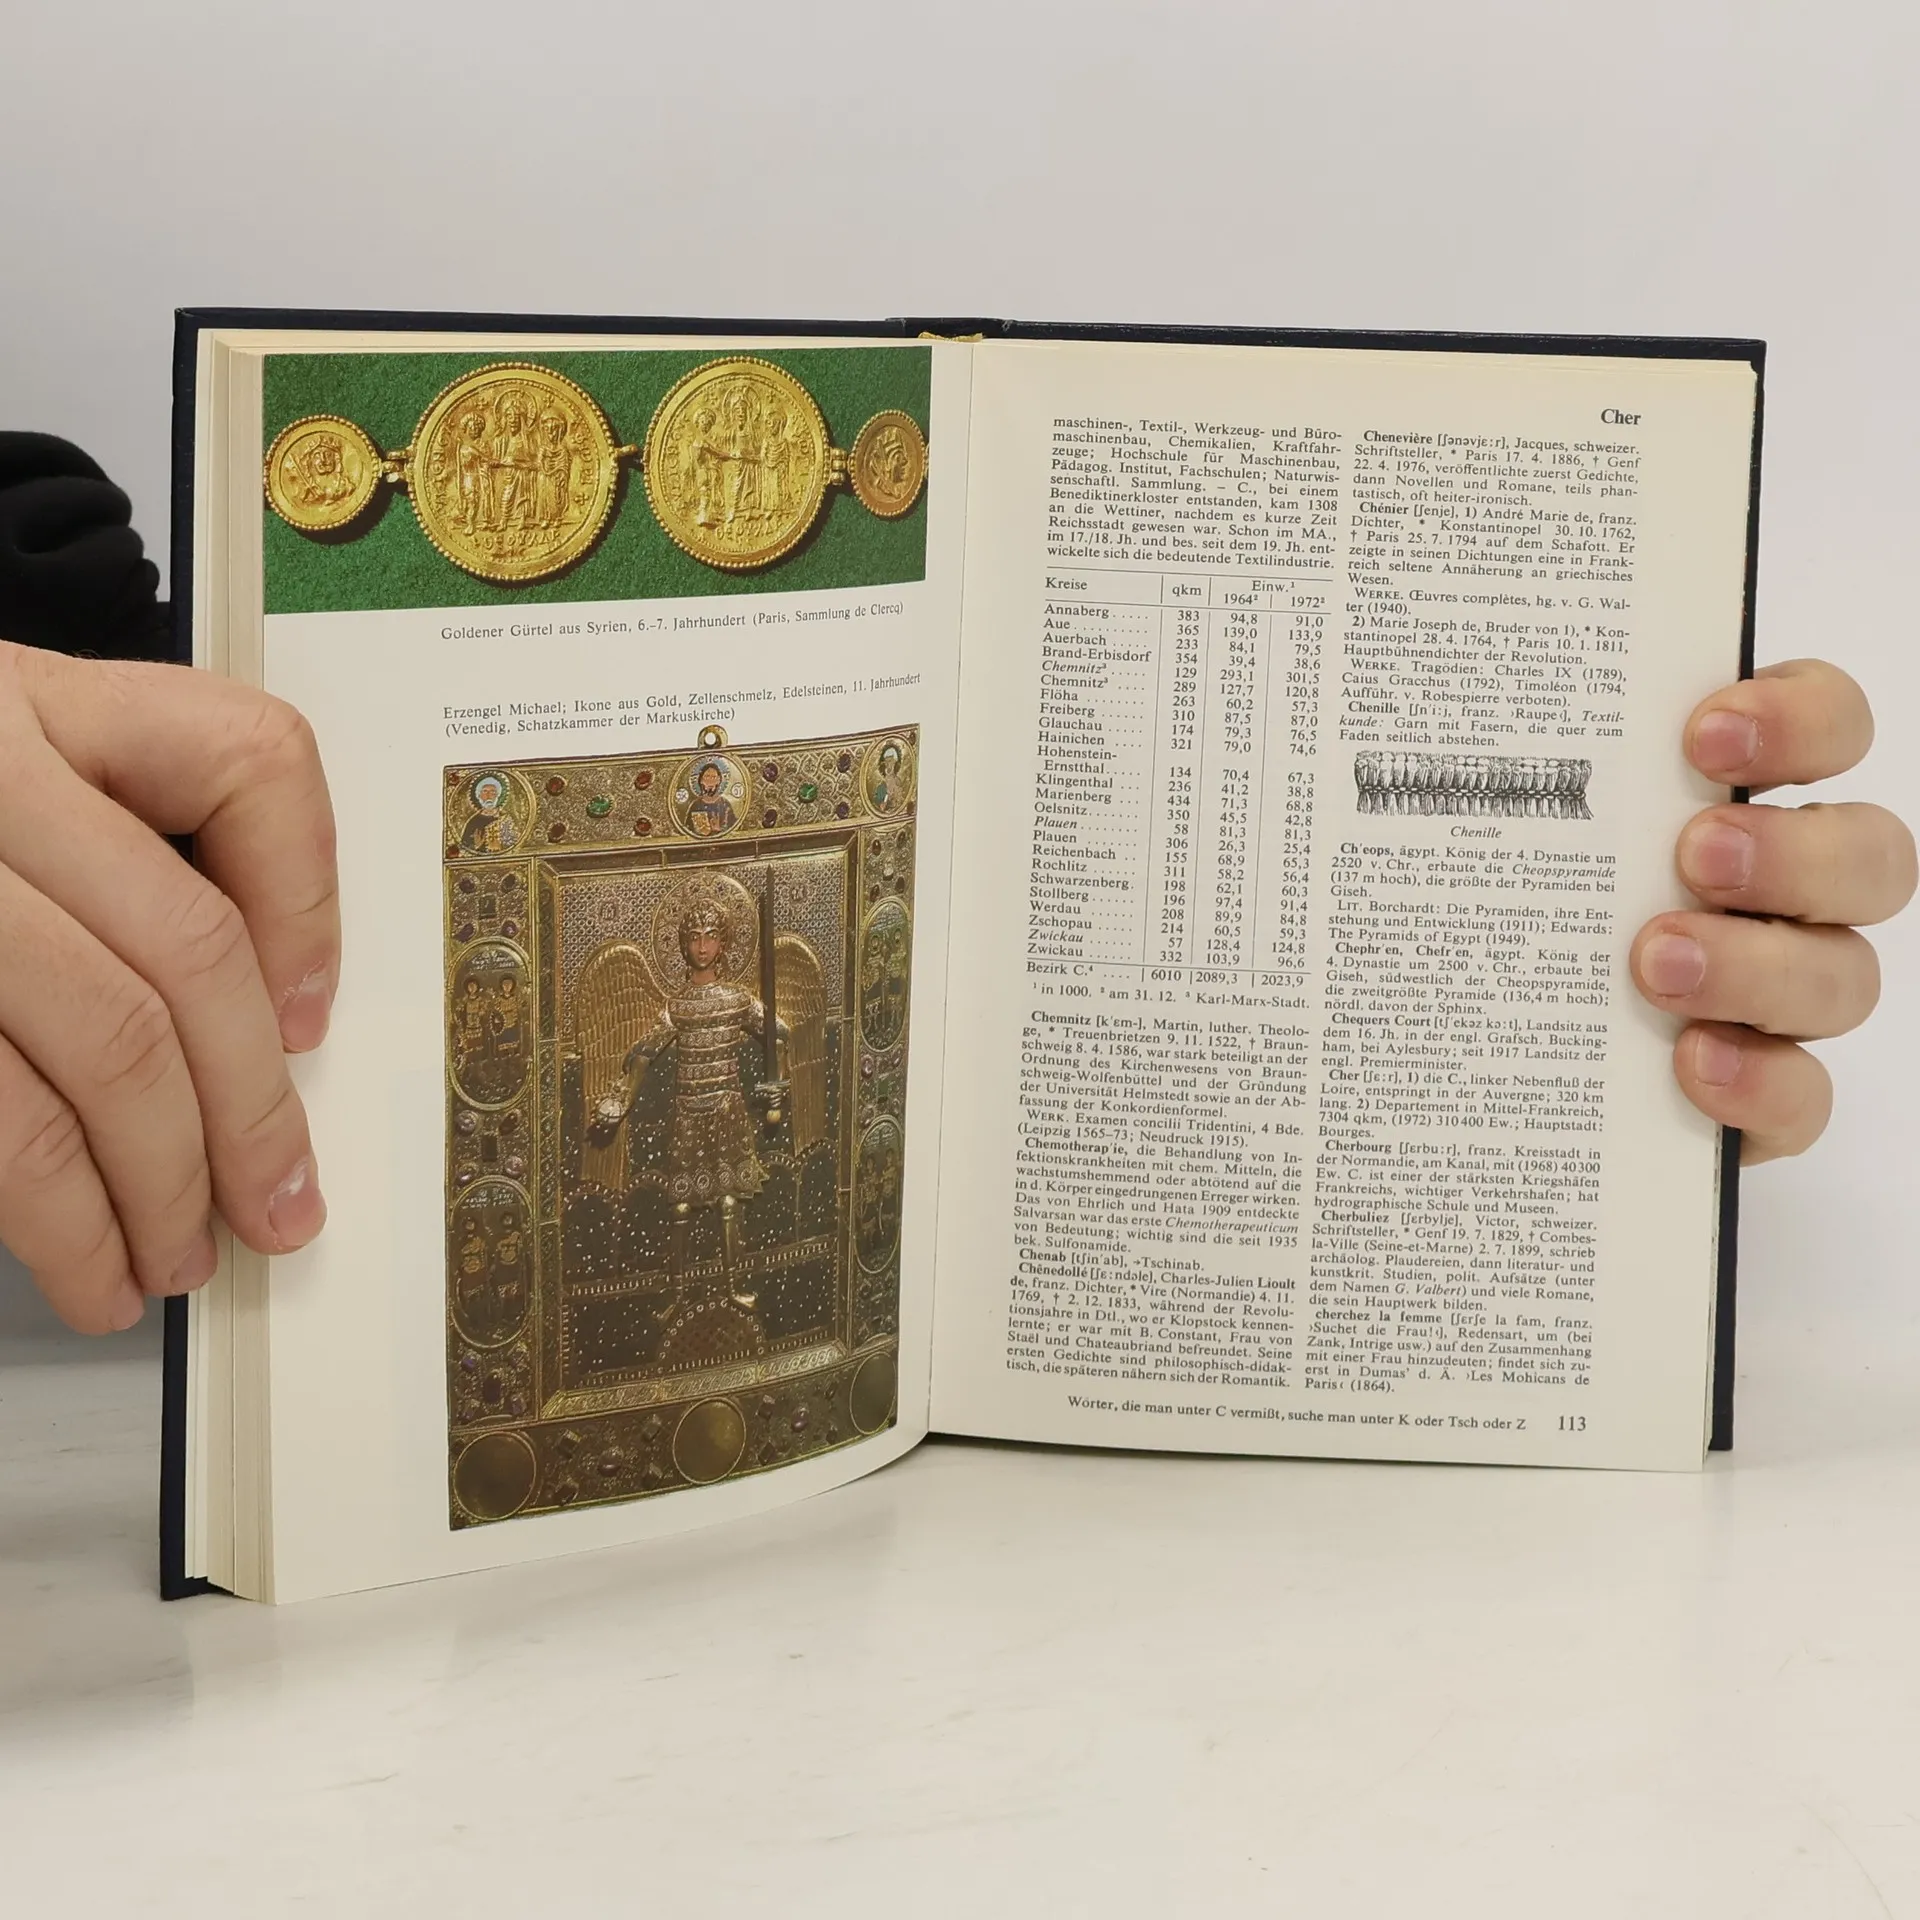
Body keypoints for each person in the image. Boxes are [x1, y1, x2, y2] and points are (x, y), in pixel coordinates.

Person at [0, 432, 1914, 1334]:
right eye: (695, 928)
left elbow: (189, 782)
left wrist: (1573, 1004)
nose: (704, 936)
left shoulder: (77, 596)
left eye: (713, 926)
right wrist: (623, 1089)